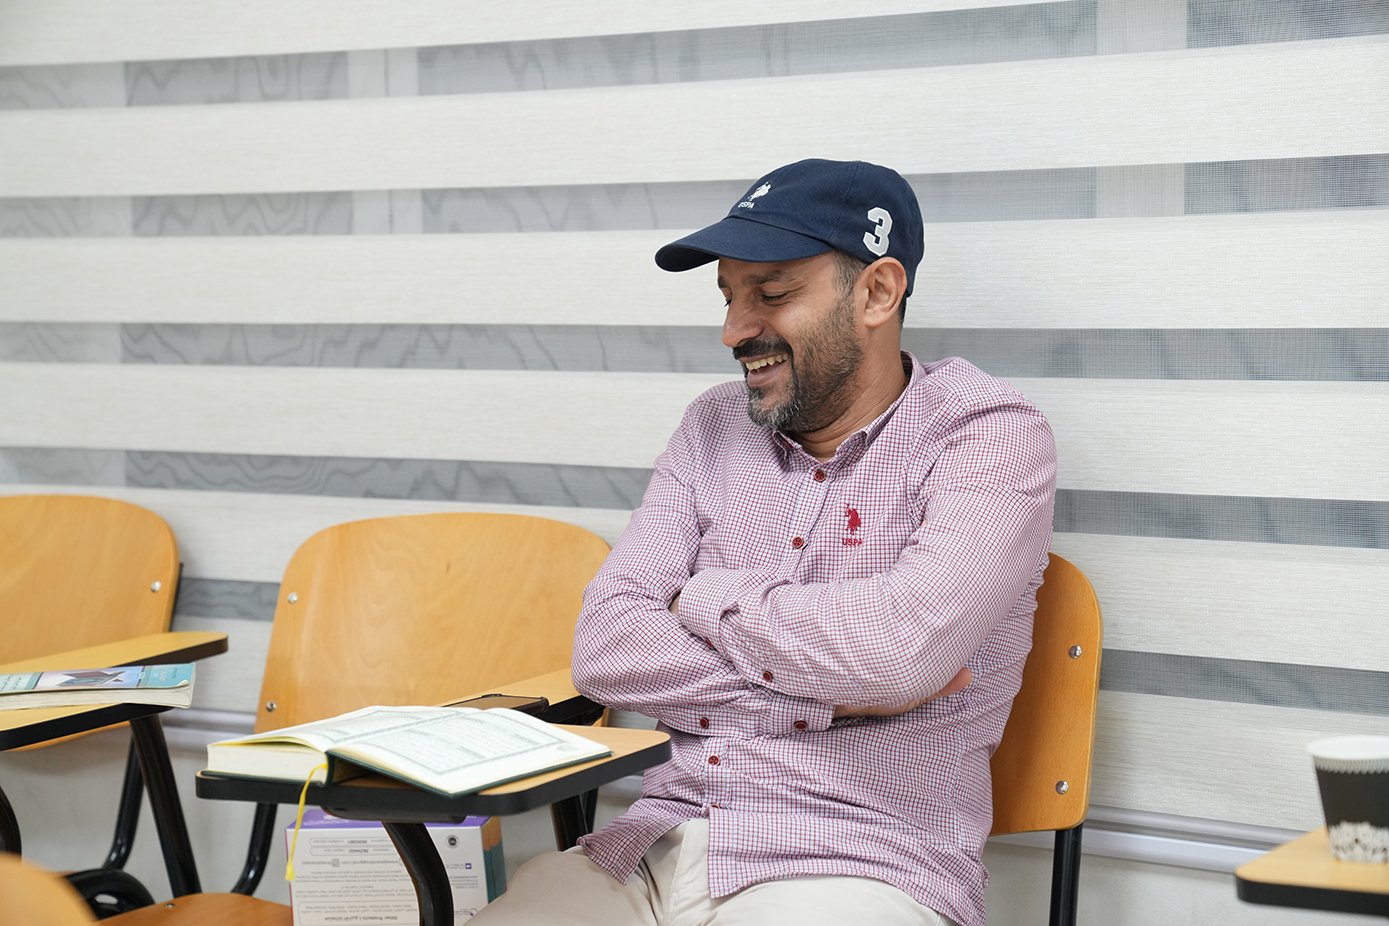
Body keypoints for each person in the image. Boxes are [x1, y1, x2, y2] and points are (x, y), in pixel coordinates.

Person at [473, 159, 1056, 926]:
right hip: (648, 850)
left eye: (771, 294)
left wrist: (699, 596)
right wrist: (832, 698)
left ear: (877, 292)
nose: (734, 331)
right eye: (728, 297)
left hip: (857, 863)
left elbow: (896, 655)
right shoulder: (710, 427)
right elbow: (607, 647)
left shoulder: (986, 436)